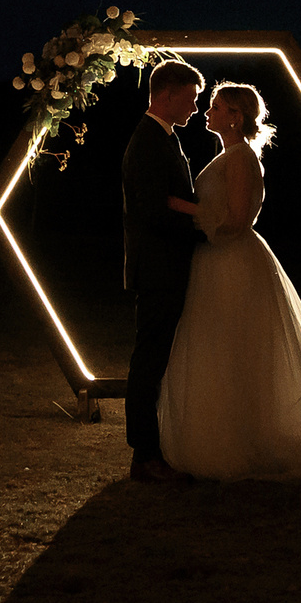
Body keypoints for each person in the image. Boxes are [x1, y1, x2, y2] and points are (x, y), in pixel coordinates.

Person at [156, 81, 301, 482]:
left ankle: (241, 442)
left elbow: (237, 220)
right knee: (218, 350)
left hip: (233, 263)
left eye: (216, 107)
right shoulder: (230, 156)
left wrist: (181, 206)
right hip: (215, 260)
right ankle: (223, 436)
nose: (207, 112)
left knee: (236, 350)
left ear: (235, 117)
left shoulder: (241, 158)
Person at [122, 60, 207, 484]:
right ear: (167, 94)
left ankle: (152, 451)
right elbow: (154, 211)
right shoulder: (148, 142)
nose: (194, 107)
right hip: (158, 269)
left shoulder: (164, 138)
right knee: (149, 361)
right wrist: (204, 228)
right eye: (190, 99)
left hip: (164, 267)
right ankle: (144, 455)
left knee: (156, 358)